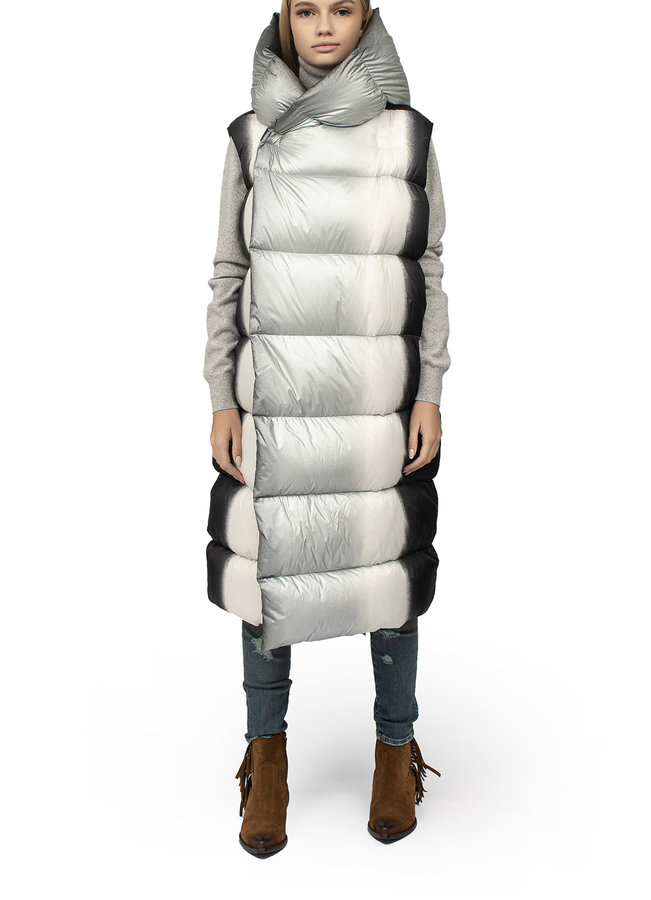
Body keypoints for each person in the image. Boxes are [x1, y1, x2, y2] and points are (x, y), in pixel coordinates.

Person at [203, 1, 451, 857]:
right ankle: (265, 758)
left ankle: (395, 751)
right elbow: (229, 271)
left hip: (377, 393)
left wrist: (428, 391)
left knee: (384, 569)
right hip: (273, 396)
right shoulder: (249, 137)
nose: (322, 26)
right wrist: (222, 397)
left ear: (367, 14)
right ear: (282, 15)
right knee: (267, 570)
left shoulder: (406, 136)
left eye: (341, 7)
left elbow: (426, 268)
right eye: (304, 7)